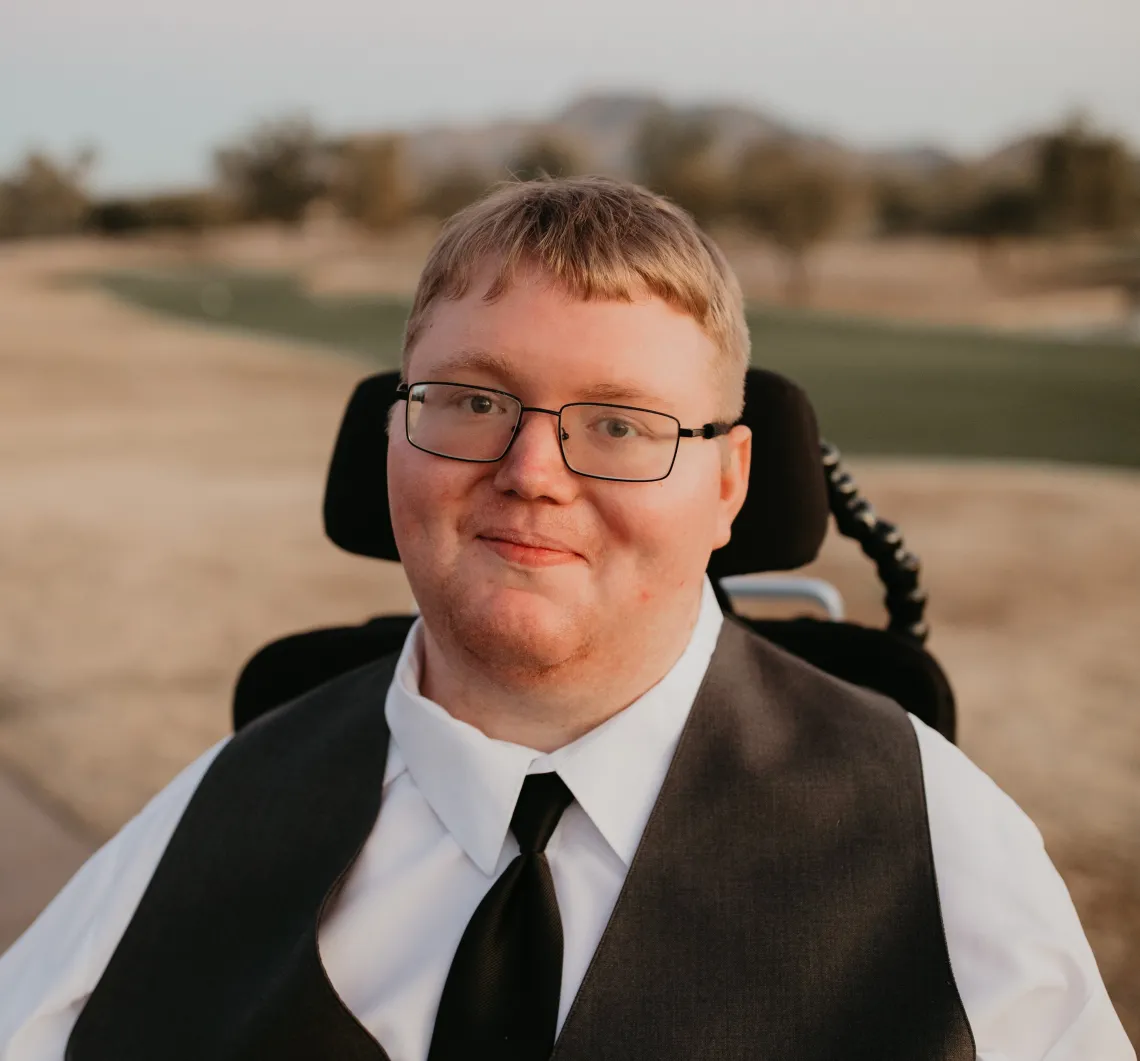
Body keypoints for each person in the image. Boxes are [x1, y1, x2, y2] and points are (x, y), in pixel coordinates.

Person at [0, 176, 1132, 1060]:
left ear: (729, 483)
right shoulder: (209, 817)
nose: (531, 469)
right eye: (473, 400)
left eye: (623, 423)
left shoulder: (942, 845)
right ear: (390, 436)